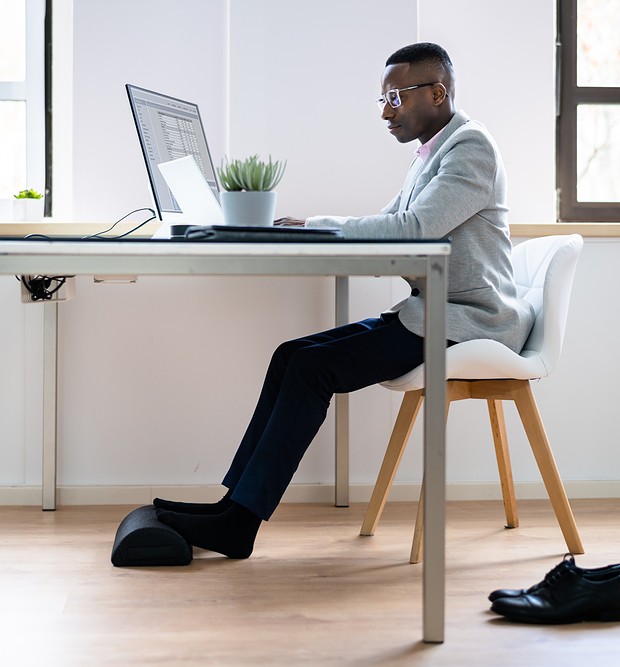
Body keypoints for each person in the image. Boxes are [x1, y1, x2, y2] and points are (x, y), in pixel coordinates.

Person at [154, 42, 535, 559]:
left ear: (438, 92)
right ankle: (232, 506)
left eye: (396, 98)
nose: (385, 112)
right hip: (435, 311)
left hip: (468, 322)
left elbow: (414, 229)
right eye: (382, 100)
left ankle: (239, 524)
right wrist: (309, 229)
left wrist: (315, 226)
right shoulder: (432, 153)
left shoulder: (471, 149)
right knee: (292, 355)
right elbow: (391, 224)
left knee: (313, 368)